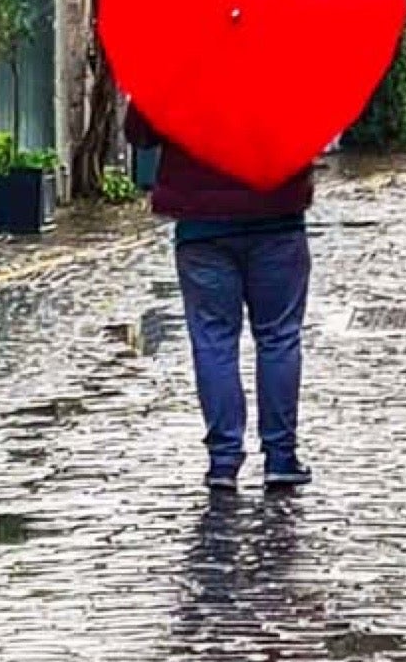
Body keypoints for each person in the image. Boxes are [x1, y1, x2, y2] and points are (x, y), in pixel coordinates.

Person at [127, 100, 313, 493]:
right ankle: (280, 457)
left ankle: (223, 460)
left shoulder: (176, 57)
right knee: (279, 337)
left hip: (202, 224)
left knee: (213, 341)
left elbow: (140, 132)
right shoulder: (288, 51)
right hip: (276, 214)